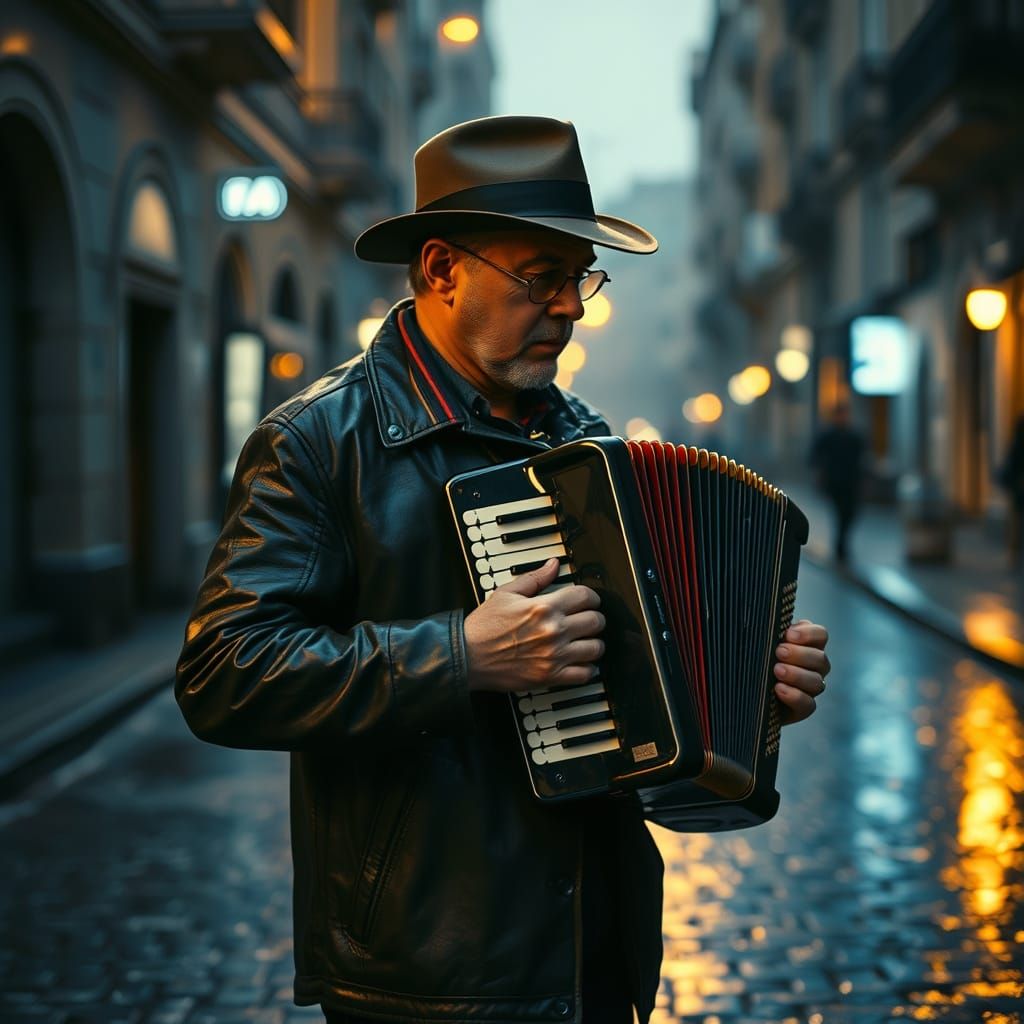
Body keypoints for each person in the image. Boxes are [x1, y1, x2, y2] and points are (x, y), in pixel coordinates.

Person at [175, 115, 831, 1024]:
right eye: (542, 278)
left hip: (598, 957)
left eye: (580, 280)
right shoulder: (318, 442)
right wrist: (461, 655)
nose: (571, 307)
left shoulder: (586, 442)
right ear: (441, 269)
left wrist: (746, 697)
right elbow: (222, 674)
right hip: (428, 969)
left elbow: (639, 734)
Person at [809, 401, 866, 563]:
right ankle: (841, 547)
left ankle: (841, 544)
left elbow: (861, 459)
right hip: (835, 482)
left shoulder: (853, 436)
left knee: (850, 514)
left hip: (851, 482)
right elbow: (815, 457)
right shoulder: (828, 436)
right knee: (841, 513)